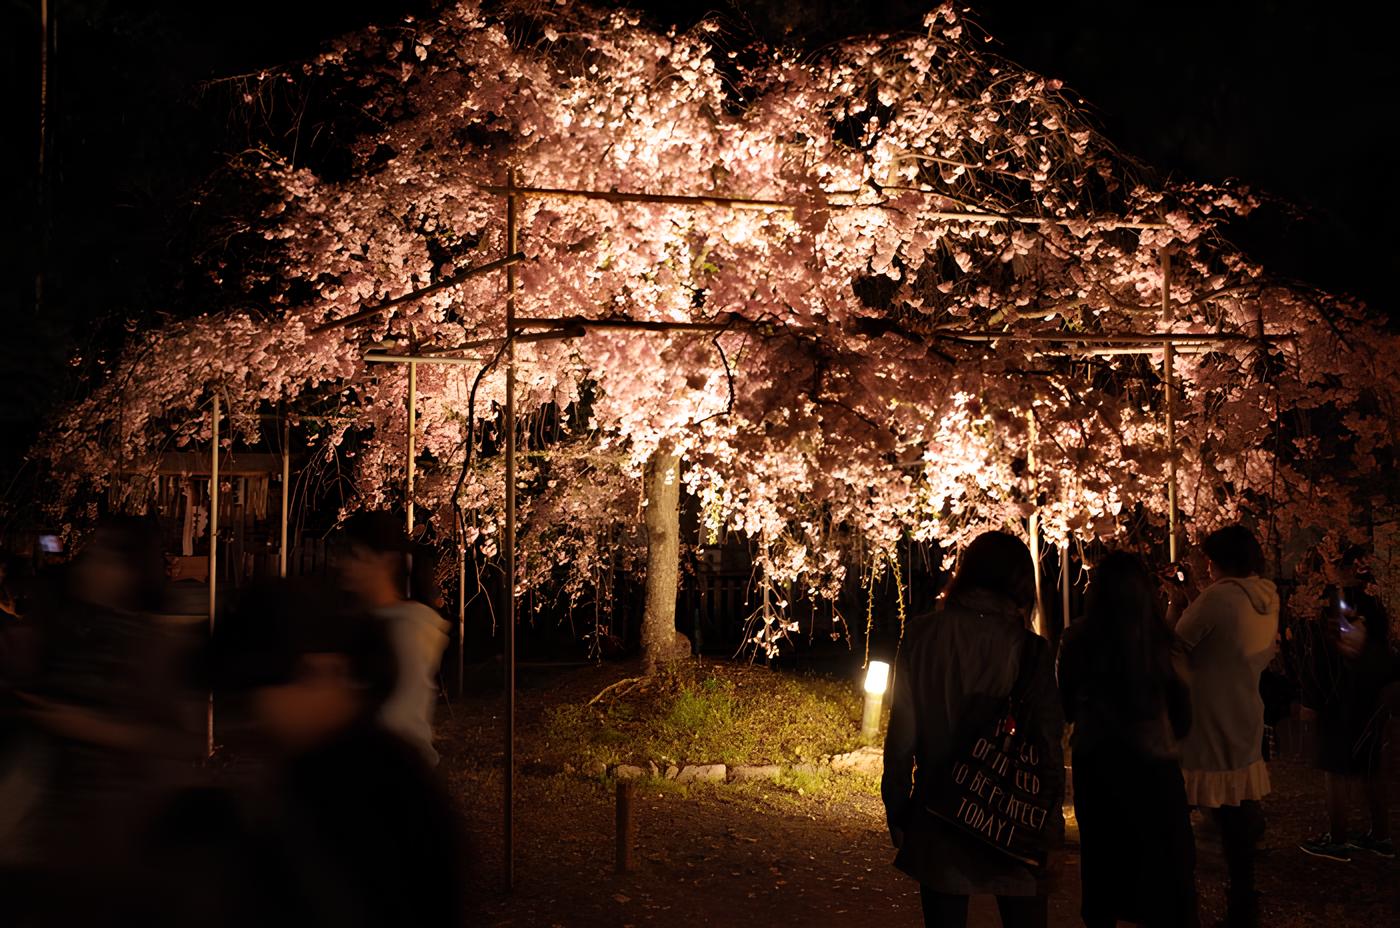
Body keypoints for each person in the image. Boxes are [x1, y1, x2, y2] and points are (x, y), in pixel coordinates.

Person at [180, 577, 467, 928]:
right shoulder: (348, 769)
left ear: (324, 671)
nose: (245, 719)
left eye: (248, 693)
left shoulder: (359, 793)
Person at [883, 530, 1064, 928]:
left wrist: (897, 806)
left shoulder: (922, 635)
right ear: (1021, 583)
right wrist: (1049, 827)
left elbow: (902, 734)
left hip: (939, 807)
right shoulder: (1031, 650)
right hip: (1011, 811)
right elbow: (1048, 748)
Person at [1059, 551, 1196, 928]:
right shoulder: (1164, 645)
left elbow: (1067, 705)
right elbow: (1183, 718)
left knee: (1102, 862)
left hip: (1097, 764)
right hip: (1155, 767)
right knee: (1163, 870)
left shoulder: (1077, 639)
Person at [1168, 525, 1278, 928]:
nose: (1205, 566)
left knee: (1183, 806)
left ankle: (1181, 902)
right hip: (1245, 708)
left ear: (1219, 561)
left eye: (1208, 560)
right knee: (1238, 809)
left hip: (1205, 715)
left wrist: (1177, 603)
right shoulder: (1267, 596)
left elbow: (1178, 642)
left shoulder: (1219, 597)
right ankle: (1243, 902)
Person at [1298, 546, 1394, 861]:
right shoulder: (1375, 603)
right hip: (1370, 693)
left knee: (1335, 768)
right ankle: (1380, 835)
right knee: (1368, 767)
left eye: (1330, 562)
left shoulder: (1335, 604)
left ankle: (1337, 837)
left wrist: (1312, 698)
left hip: (1339, 697)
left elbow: (1324, 659)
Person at [341, 512, 450, 766]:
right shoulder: (370, 619)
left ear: (386, 562)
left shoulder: (406, 627)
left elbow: (400, 715)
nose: (346, 566)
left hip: (393, 771)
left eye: (357, 557)